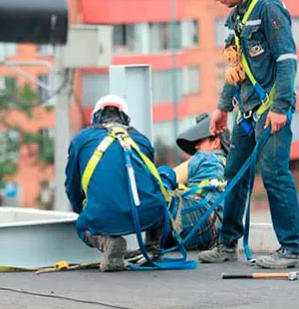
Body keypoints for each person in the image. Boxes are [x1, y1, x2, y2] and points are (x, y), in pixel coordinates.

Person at [198, 0, 299, 269]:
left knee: (274, 173)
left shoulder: (268, 9)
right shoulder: (236, 18)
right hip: (245, 113)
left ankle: (293, 248)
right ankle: (227, 243)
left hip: (271, 110)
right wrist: (221, 108)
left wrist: (281, 106)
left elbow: (287, 60)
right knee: (234, 174)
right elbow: (236, 67)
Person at [64, 94, 170, 272]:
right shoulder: (141, 140)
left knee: (83, 225)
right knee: (159, 200)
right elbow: (150, 183)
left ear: (95, 118)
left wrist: (83, 211)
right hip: (148, 215)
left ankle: (109, 242)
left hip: (103, 216)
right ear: (126, 118)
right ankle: (153, 248)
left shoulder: (81, 140)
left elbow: (73, 185)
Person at [157, 113, 230, 251]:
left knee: (163, 176)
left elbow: (168, 178)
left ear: (215, 142)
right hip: (217, 234)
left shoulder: (204, 157)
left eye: (200, 142)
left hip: (197, 222)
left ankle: (151, 245)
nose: (196, 147)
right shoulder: (230, 166)